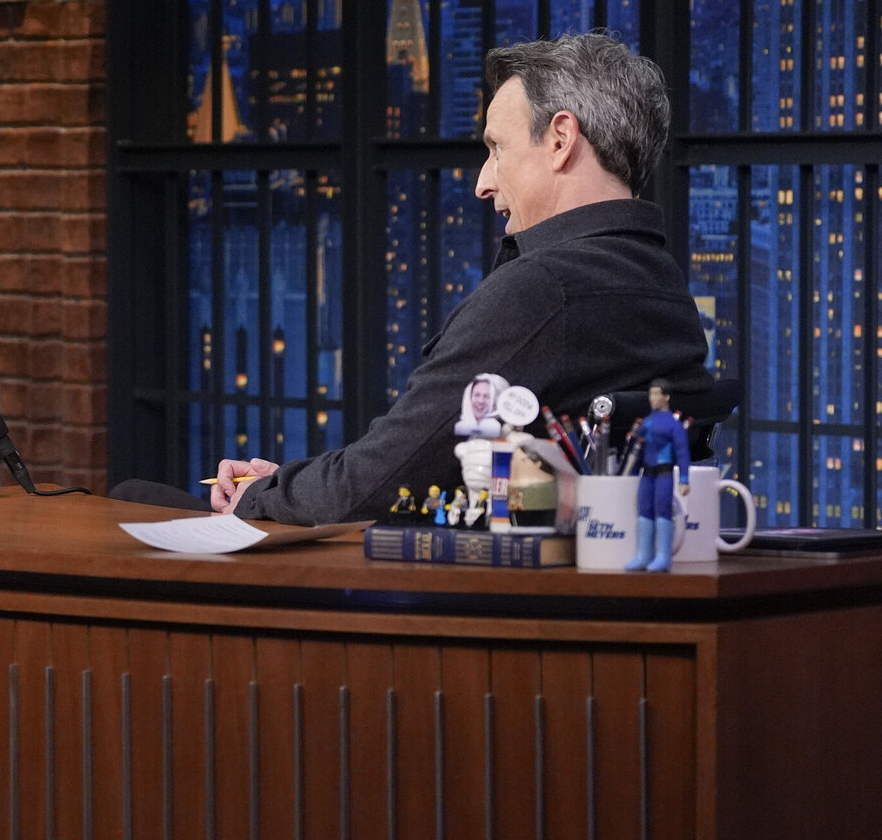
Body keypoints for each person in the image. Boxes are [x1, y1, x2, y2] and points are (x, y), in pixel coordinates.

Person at [114, 31, 712, 524]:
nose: (482, 183)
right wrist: (288, 485)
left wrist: (261, 495)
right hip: (582, 578)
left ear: (560, 139)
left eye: (496, 149)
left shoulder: (544, 290)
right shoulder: (666, 290)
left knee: (130, 501)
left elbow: (378, 484)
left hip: (465, 594)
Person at [623, 379, 691, 572]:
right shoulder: (646, 422)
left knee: (663, 511)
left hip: (664, 474)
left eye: (656, 394)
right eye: (651, 394)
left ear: (666, 397)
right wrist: (632, 473)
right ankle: (643, 555)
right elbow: (637, 451)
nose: (652, 398)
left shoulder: (674, 425)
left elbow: (682, 453)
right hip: (646, 474)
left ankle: (663, 556)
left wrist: (684, 479)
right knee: (644, 510)